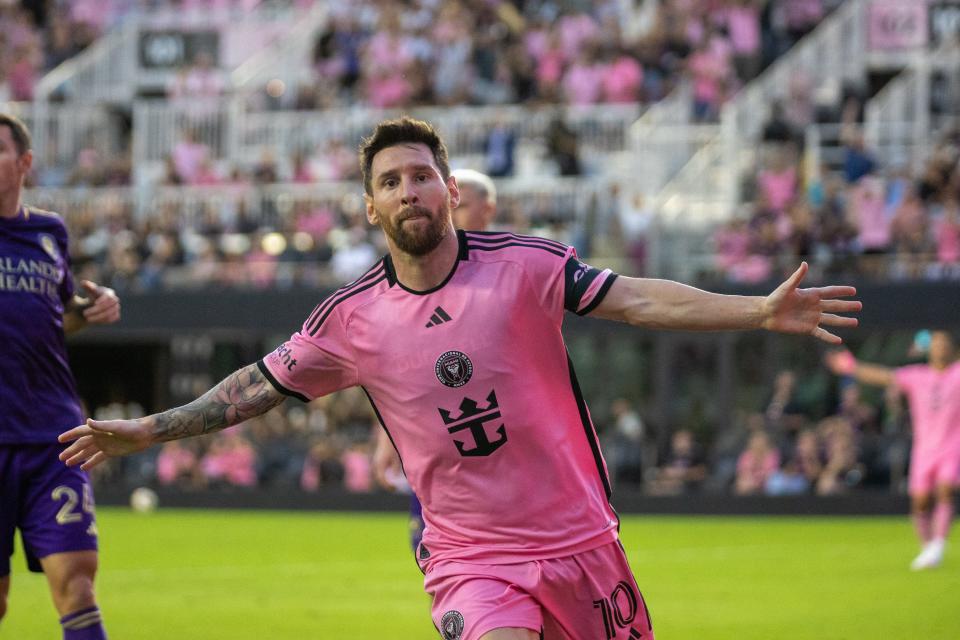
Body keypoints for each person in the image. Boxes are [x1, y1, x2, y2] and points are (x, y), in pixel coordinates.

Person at [59, 117, 860, 640]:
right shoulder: (350, 318)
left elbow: (642, 299)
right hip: (473, 559)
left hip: (583, 543)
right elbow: (254, 386)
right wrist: (148, 428)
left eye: (420, 174)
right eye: (390, 181)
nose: (408, 189)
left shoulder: (528, 266)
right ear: (369, 207)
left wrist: (756, 311)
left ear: (449, 188)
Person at [0, 113, 121, 639]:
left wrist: (91, 309)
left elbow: (55, 316)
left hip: (54, 437)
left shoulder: (49, 232)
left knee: (76, 583)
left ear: (24, 163)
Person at [372, 167, 498, 553]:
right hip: (435, 449)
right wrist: (386, 439)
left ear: (486, 210)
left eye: (461, 203)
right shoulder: (413, 278)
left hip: (504, 450)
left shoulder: (512, 269)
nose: (450, 211)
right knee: (435, 556)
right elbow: (397, 370)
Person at [825, 331, 960, 571]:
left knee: (946, 488)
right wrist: (850, 367)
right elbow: (884, 376)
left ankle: (938, 543)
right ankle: (928, 547)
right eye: (936, 344)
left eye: (944, 344)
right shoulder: (917, 376)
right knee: (919, 502)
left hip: (953, 447)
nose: (940, 349)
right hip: (925, 449)